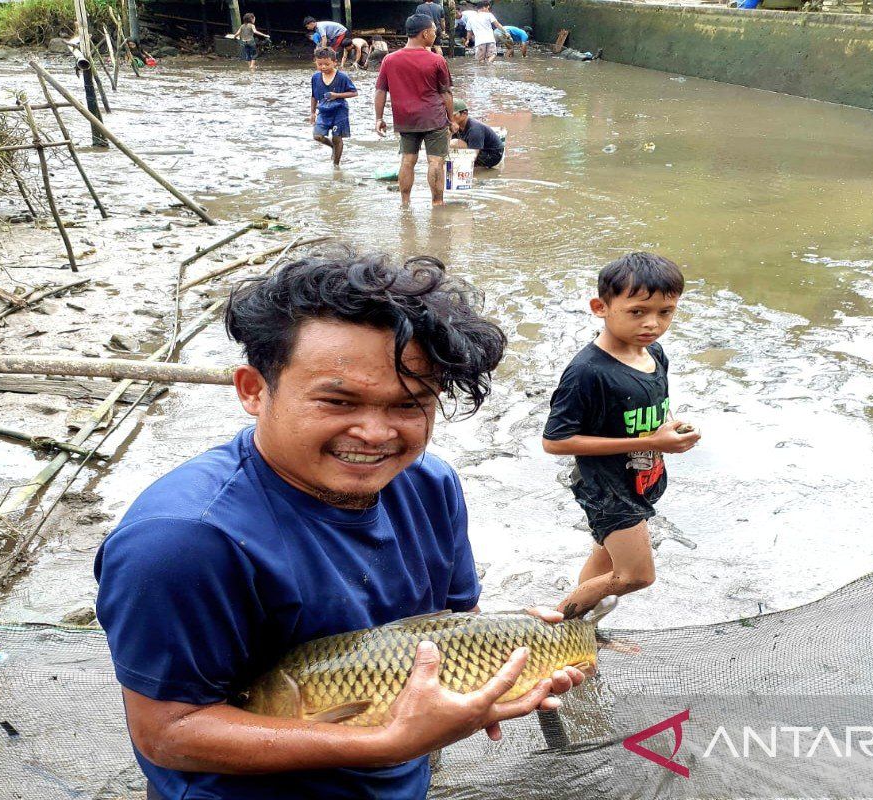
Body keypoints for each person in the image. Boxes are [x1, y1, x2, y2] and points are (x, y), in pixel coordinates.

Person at [96, 249, 587, 799]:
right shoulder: (183, 541)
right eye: (338, 400)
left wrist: (509, 647)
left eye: (409, 405)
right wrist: (388, 744)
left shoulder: (429, 483)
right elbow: (169, 734)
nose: (375, 434)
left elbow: (448, 622)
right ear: (254, 390)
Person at [542, 252, 701, 620]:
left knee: (604, 562)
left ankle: (585, 629)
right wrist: (650, 443)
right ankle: (558, 624)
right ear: (601, 307)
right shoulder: (587, 372)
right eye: (637, 311)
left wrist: (672, 431)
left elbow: (651, 410)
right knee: (635, 576)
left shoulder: (654, 354)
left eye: (665, 312)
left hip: (640, 479)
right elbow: (555, 441)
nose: (653, 323)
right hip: (607, 487)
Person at [375, 14, 454, 206]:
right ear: (425, 33)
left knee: (408, 160)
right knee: (435, 162)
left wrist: (379, 118)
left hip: (405, 118)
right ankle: (437, 203)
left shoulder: (389, 60)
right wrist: (451, 119)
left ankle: (405, 202)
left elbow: (380, 91)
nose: (435, 34)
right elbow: (446, 94)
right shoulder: (436, 60)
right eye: (434, 30)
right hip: (433, 118)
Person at [310, 47, 358, 167]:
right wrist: (312, 113)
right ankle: (332, 146)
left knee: (337, 137)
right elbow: (314, 96)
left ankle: (336, 165)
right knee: (317, 136)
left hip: (339, 110)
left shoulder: (342, 77)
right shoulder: (315, 78)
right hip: (323, 110)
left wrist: (336, 95)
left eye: (326, 64)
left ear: (334, 62)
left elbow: (354, 92)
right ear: (315, 62)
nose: (323, 67)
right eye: (320, 64)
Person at [449, 99, 504, 169]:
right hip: (479, 149)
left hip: (492, 155)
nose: (450, 118)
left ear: (464, 114)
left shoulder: (475, 128)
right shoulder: (457, 125)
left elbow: (473, 154)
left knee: (454, 143)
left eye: (453, 115)